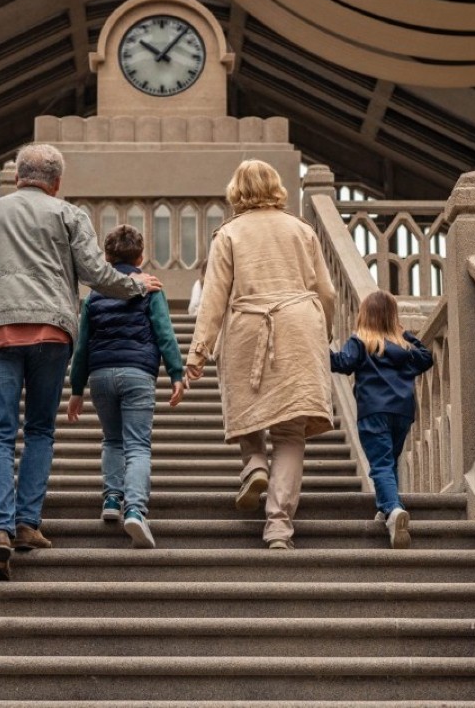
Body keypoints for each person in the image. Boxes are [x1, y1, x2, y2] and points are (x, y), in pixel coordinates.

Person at [0, 143, 161, 582]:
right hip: (51, 332)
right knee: (41, 429)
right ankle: (27, 523)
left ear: (16, 178)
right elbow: (95, 273)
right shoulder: (69, 215)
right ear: (57, 182)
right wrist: (138, 287)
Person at [185, 159, 335, 550]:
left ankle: (253, 464)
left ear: (237, 191)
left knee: (249, 409)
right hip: (299, 324)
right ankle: (279, 526)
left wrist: (198, 353)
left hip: (248, 325)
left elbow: (214, 298)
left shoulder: (229, 234)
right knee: (289, 433)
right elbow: (328, 292)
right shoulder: (302, 231)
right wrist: (323, 333)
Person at [66, 225, 185, 549]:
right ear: (141, 257)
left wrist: (77, 390)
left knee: (113, 440)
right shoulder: (151, 289)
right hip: (137, 374)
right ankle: (134, 508)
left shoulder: (95, 296)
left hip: (101, 375)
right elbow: (164, 333)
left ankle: (111, 500)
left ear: (106, 257)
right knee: (137, 445)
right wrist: (177, 373)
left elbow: (83, 346)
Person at [330, 290, 434, 549]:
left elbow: (342, 363)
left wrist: (318, 347)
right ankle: (387, 506)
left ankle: (394, 510)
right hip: (403, 412)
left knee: (380, 464)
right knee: (390, 461)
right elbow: (426, 358)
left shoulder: (360, 341)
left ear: (365, 315)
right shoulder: (404, 346)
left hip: (374, 410)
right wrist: (405, 334)